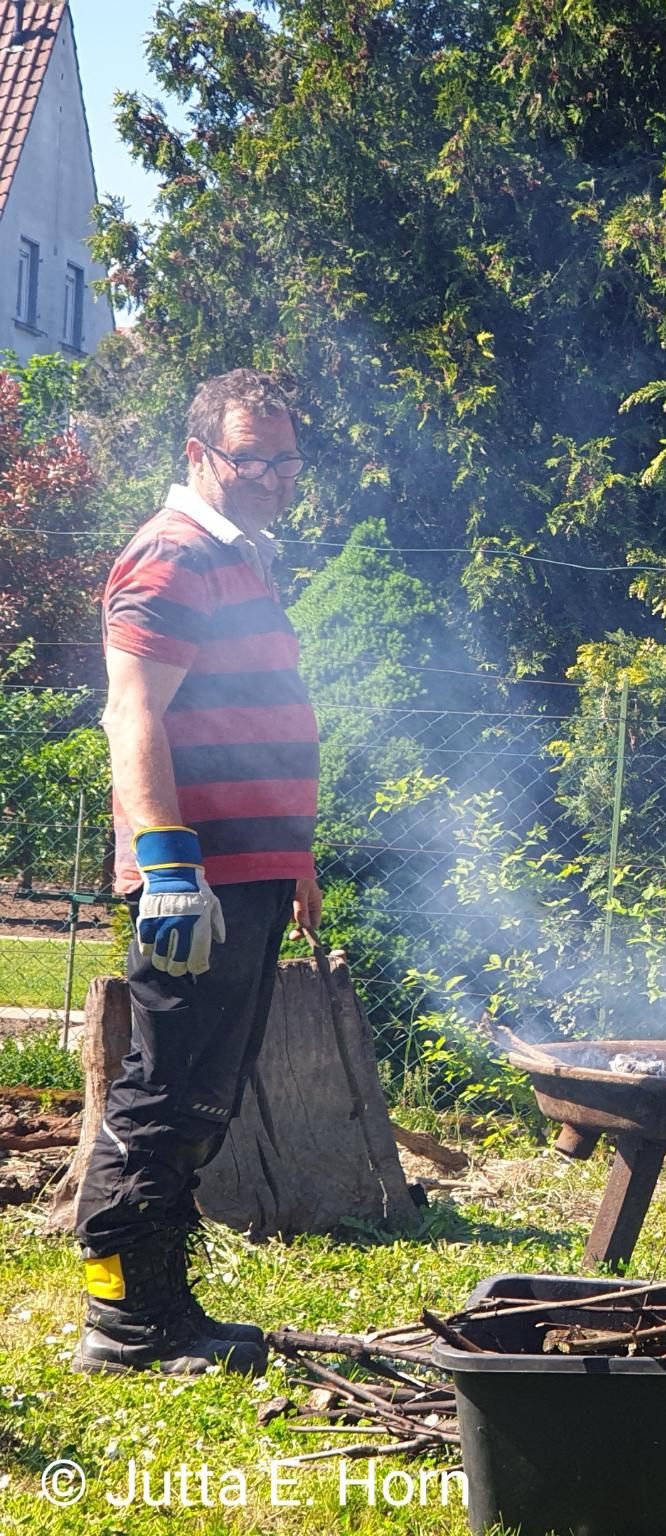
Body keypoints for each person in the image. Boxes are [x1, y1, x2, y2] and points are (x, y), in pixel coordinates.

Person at [72, 369, 321, 1375]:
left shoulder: (239, 557)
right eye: (252, 460)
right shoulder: (173, 554)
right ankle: (125, 1323)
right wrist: (171, 868)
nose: (275, 478)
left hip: (249, 872)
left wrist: (292, 860)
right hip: (198, 881)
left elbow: (251, 722)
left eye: (287, 459)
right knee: (163, 1096)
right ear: (198, 455)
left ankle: (162, 1306)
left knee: (201, 1098)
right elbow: (131, 712)